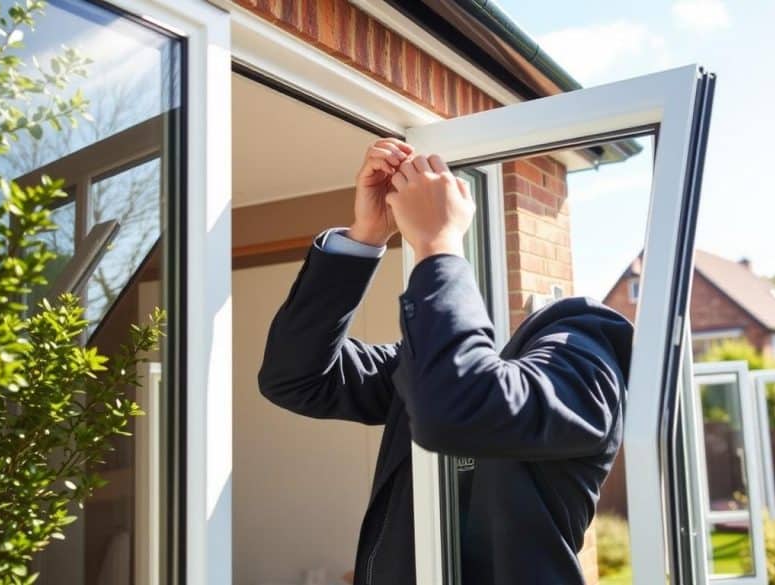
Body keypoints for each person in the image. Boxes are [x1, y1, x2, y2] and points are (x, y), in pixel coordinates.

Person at [258, 138, 633, 585]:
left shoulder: (588, 369)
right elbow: (294, 378)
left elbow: (463, 404)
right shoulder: (432, 371)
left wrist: (437, 243)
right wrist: (366, 236)